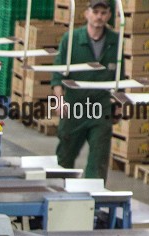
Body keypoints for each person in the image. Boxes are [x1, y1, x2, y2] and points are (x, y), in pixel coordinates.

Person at [52, 0, 120, 180]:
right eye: (95, 11)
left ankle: (94, 202)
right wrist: (59, 101)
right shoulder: (71, 39)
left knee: (99, 158)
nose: (99, 16)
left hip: (101, 108)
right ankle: (59, 194)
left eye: (103, 12)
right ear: (87, 13)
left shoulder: (116, 42)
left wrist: (118, 104)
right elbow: (58, 75)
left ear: (109, 15)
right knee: (65, 157)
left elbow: (120, 78)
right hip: (75, 106)